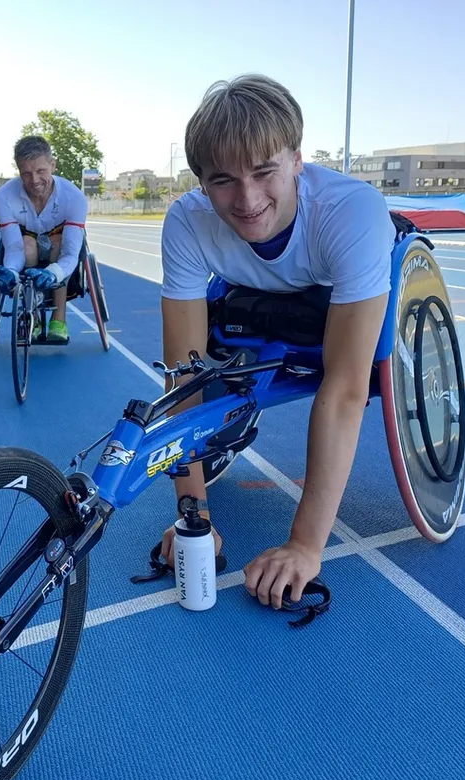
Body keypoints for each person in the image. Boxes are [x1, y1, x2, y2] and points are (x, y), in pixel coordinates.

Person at [157, 74, 396, 611]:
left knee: (363, 358)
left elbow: (344, 391)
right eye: (222, 181)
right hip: (256, 304)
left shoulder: (352, 212)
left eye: (264, 171)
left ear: (296, 159)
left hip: (334, 298)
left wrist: (306, 546)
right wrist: (193, 520)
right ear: (199, 182)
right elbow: (182, 380)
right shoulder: (186, 222)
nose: (247, 200)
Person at [0, 136, 88, 342]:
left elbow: (71, 252)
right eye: (26, 173)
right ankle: (30, 316)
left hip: (58, 244)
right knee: (27, 245)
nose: (34, 180)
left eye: (41, 171)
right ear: (18, 170)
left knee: (60, 245)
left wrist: (55, 273)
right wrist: (10, 271)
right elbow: (15, 248)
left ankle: (59, 319)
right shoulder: (3, 197)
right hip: (27, 244)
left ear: (53, 165)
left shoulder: (75, 198)